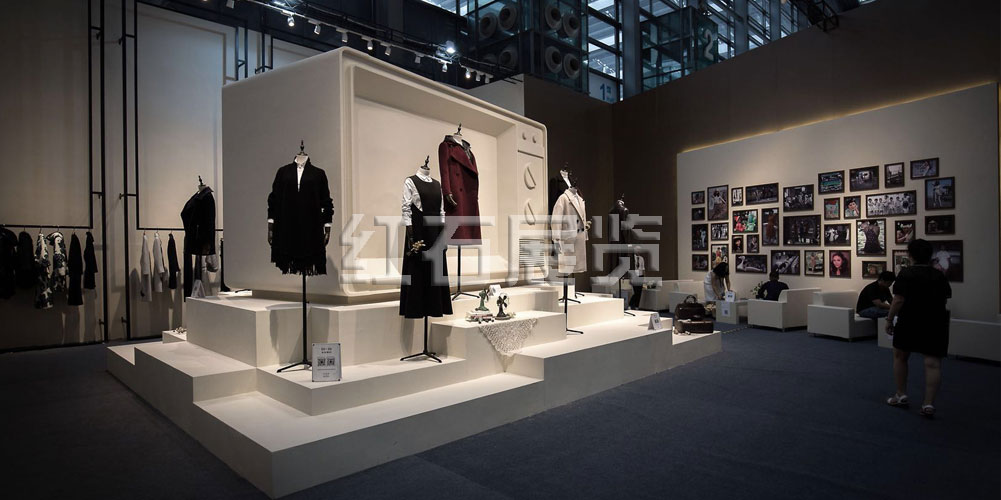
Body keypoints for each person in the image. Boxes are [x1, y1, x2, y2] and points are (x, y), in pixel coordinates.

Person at [885, 239, 952, 418]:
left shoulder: (906, 274)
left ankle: (901, 394)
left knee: (900, 356)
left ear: (910, 255)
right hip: (935, 322)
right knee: (933, 363)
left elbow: (898, 300)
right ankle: (928, 404)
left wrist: (889, 320)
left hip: (909, 320)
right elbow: (945, 299)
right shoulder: (938, 275)